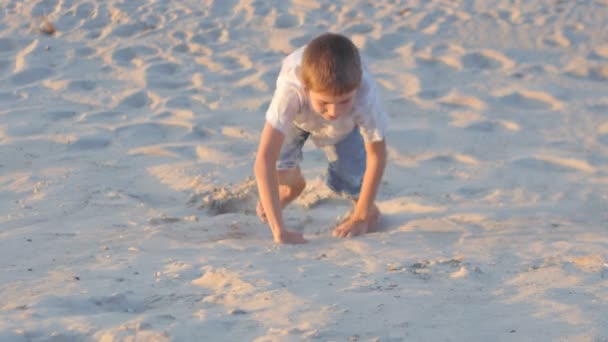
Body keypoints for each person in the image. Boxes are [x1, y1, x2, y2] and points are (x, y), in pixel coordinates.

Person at [254, 32, 388, 244]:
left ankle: (370, 211)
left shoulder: (364, 97)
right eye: (325, 102)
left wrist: (361, 217)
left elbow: (377, 155)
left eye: (344, 101)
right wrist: (279, 230)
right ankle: (294, 187)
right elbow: (264, 161)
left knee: (348, 180)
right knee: (279, 169)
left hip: (346, 126)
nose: (334, 111)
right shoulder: (291, 91)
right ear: (306, 88)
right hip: (298, 117)